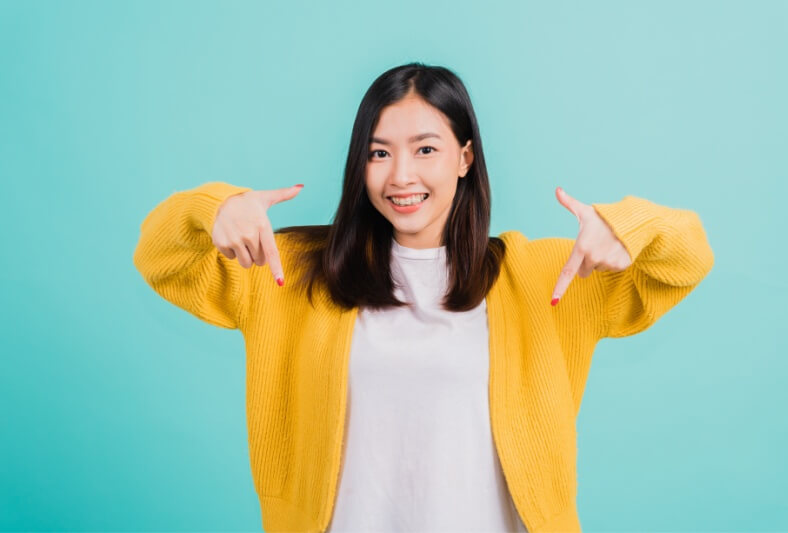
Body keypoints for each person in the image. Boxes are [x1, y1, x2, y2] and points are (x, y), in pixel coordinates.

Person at [132, 62, 715, 533]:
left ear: (465, 158)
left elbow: (687, 261)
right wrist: (216, 208)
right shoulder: (287, 275)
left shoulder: (544, 278)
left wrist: (628, 228)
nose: (400, 176)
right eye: (379, 152)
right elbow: (162, 259)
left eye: (426, 149)